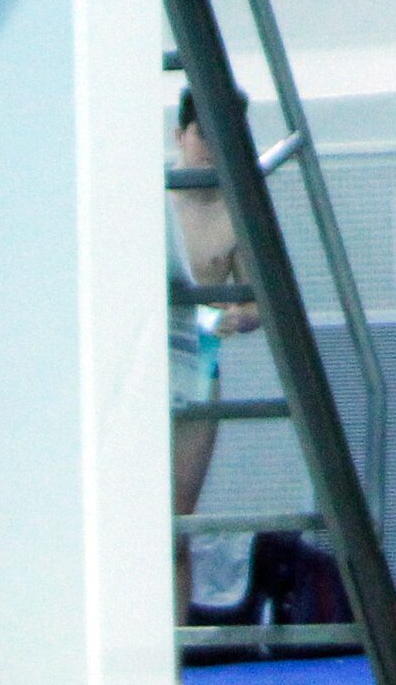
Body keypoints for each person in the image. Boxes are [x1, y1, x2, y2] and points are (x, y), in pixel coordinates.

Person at [168, 88, 261, 611]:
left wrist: (236, 317)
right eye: (203, 133)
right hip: (138, 365)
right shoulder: (147, 195)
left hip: (198, 369)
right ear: (179, 135)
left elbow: (259, 304)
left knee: (176, 519)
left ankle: (173, 653)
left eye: (224, 136)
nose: (211, 147)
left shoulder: (237, 211)